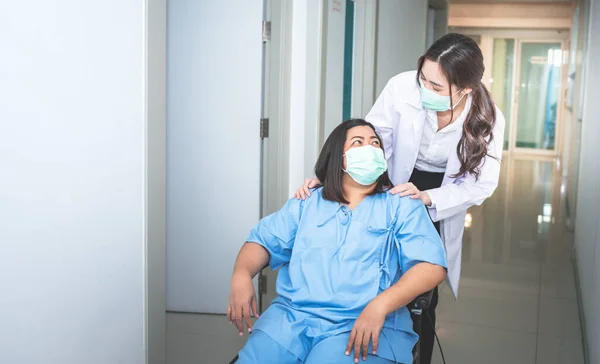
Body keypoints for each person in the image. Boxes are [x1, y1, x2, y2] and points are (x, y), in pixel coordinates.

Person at [294, 33, 506, 364]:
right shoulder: (400, 87)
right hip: (392, 178)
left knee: (422, 285)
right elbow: (372, 142)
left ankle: (414, 353)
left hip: (441, 192)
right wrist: (332, 178)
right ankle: (359, 339)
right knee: (375, 265)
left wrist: (428, 197)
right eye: (424, 78)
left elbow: (480, 184)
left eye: (437, 88)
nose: (425, 91)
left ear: (466, 89)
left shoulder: (488, 118)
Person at [229, 119, 447, 364]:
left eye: (375, 144)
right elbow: (263, 241)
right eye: (358, 142)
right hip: (291, 321)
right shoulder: (307, 202)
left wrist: (380, 306)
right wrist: (241, 274)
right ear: (337, 158)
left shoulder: (401, 204)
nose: (370, 149)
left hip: (365, 323)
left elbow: (431, 266)